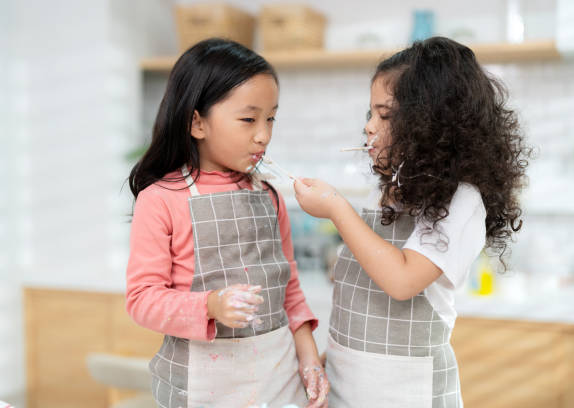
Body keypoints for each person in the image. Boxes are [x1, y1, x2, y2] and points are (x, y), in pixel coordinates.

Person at [293, 36, 531, 407]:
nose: (370, 127)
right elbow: (359, 324)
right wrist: (327, 365)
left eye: (385, 115)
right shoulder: (389, 192)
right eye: (370, 114)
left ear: (433, 125)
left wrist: (336, 208)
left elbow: (402, 280)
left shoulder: (461, 200)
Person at [126, 38, 329, 408]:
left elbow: (290, 293)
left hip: (279, 380)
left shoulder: (269, 196)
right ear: (197, 122)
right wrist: (212, 305)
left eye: (270, 118)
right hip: (204, 387)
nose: (264, 134)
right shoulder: (160, 200)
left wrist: (310, 360)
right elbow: (142, 301)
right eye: (249, 119)